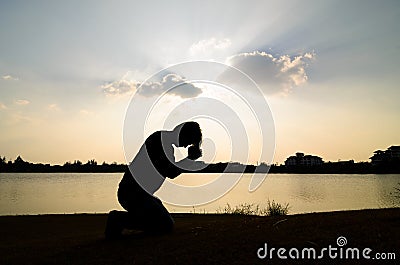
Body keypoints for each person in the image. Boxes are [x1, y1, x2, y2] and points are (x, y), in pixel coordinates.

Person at [105, 121, 202, 239]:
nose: (186, 146)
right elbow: (170, 172)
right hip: (133, 194)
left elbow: (170, 171)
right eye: (188, 141)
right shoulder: (161, 141)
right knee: (166, 225)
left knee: (162, 221)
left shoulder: (163, 141)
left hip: (139, 194)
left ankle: (121, 220)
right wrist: (189, 160)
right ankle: (117, 219)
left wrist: (188, 160)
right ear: (183, 133)